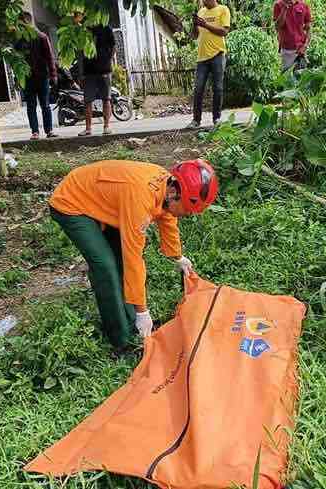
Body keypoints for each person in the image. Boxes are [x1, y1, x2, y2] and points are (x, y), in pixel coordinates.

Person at [48, 159, 219, 353]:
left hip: (103, 200)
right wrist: (142, 311)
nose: (188, 215)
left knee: (119, 261)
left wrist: (177, 256)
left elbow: (168, 217)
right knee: (106, 266)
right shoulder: (141, 198)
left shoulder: (167, 187)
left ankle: (130, 323)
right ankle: (121, 340)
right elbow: (134, 257)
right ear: (173, 193)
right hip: (72, 202)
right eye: (188, 210)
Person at [187, 0, 231, 129]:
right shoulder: (201, 11)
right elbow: (195, 36)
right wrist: (195, 25)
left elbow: (224, 31)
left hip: (217, 54)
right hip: (202, 57)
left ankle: (216, 119)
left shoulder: (223, 10)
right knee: (198, 89)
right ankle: (196, 120)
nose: (203, 1)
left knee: (217, 88)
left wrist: (205, 25)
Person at [17, 12, 58, 140]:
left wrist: (53, 74)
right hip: (27, 78)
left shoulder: (42, 37)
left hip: (42, 77)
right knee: (31, 106)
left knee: (45, 104)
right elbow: (16, 60)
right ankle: (35, 132)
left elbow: (50, 57)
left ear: (27, 22)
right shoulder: (19, 41)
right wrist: (18, 78)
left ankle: (49, 130)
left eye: (21, 24)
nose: (20, 27)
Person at [74, 13, 117, 136]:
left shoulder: (106, 27)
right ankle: (88, 129)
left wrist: (106, 62)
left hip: (104, 70)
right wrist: (81, 73)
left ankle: (106, 126)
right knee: (88, 100)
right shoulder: (84, 29)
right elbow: (81, 53)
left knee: (106, 98)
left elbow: (114, 47)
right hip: (89, 71)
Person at [274, 0, 312, 72]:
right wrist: (284, 9)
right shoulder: (278, 5)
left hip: (301, 51)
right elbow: (278, 26)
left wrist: (305, 46)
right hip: (286, 50)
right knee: (285, 78)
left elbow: (308, 29)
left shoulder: (303, 5)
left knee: (301, 79)